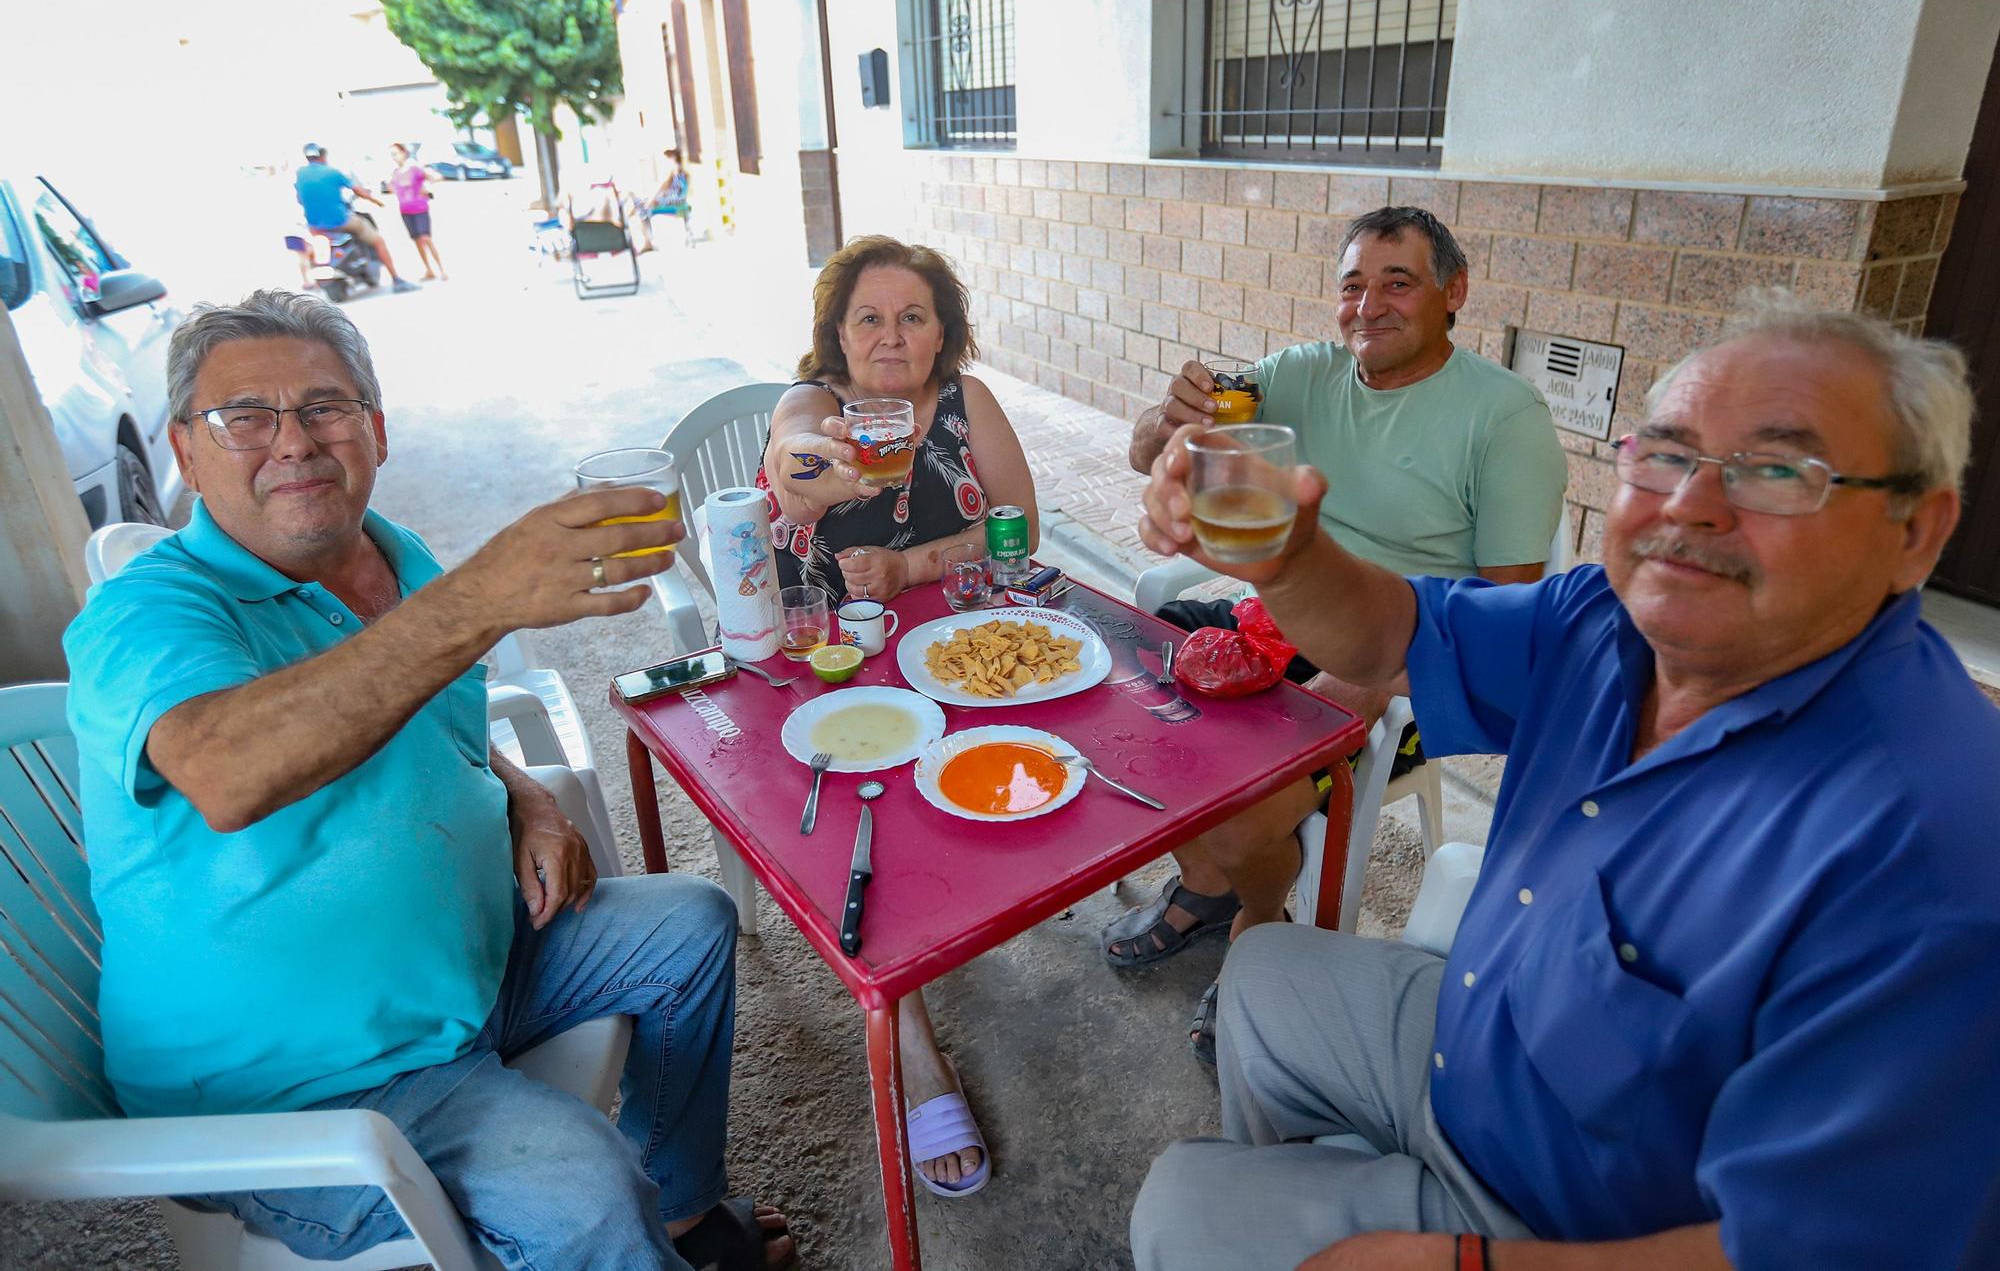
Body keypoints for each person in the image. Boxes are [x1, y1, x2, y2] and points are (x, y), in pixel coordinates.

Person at [1127, 293, 2000, 1270]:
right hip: (1477, 1039)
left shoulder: (1934, 848)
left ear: (1915, 531)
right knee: (1260, 971)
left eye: (1773, 470)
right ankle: (1317, 1184)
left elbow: (1832, 1248)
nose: (1688, 509)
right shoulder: (1606, 619)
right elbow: (1390, 634)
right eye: (1665, 454)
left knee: (1182, 1206)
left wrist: (1461, 1262)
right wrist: (1285, 557)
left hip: (1579, 1221)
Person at [63, 290, 794, 1271]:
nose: (293, 441)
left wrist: (529, 798)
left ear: (376, 430)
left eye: (324, 406)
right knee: (581, 1189)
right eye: (245, 416)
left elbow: (423, 716)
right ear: (186, 452)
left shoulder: (389, 556)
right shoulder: (143, 615)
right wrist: (481, 596)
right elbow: (226, 769)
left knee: (692, 924)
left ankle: (682, 1219)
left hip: (467, 966)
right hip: (311, 1078)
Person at [1110, 206, 1568, 1062]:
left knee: (1248, 804)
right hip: (1278, 610)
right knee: (1126, 698)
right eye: (1353, 285)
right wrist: (1167, 418)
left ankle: (1256, 920)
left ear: (1453, 291)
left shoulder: (1504, 417)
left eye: (1400, 282)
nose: (1370, 305)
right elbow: (1149, 456)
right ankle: (1207, 885)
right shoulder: (1299, 374)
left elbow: (1508, 612)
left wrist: (1374, 673)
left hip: (1405, 650)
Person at [757, 234, 1038, 1197]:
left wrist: (916, 565)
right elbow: (791, 466)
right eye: (869, 317)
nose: (891, 335)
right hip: (830, 664)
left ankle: (977, 897)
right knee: (859, 813)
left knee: (1036, 752)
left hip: (957, 644)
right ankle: (913, 1038)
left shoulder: (967, 402)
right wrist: (821, 472)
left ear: (941, 332)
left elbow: (1018, 527)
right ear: (837, 333)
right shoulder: (816, 410)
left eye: (912, 316)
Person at [294, 143, 418, 293]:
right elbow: (358, 190)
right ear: (322, 156)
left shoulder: (300, 174)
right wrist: (376, 201)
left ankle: (313, 281)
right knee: (378, 240)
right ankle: (396, 279)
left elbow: (300, 199)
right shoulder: (332, 172)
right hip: (341, 222)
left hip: (315, 227)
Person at [389, 142, 446, 281]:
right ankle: (429, 270)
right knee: (417, 241)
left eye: (396, 153)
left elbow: (436, 176)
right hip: (405, 210)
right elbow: (392, 188)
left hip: (420, 208)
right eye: (392, 155)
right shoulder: (395, 173)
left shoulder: (415, 168)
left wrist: (426, 188)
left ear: (403, 153)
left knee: (426, 239)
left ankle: (441, 270)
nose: (394, 157)